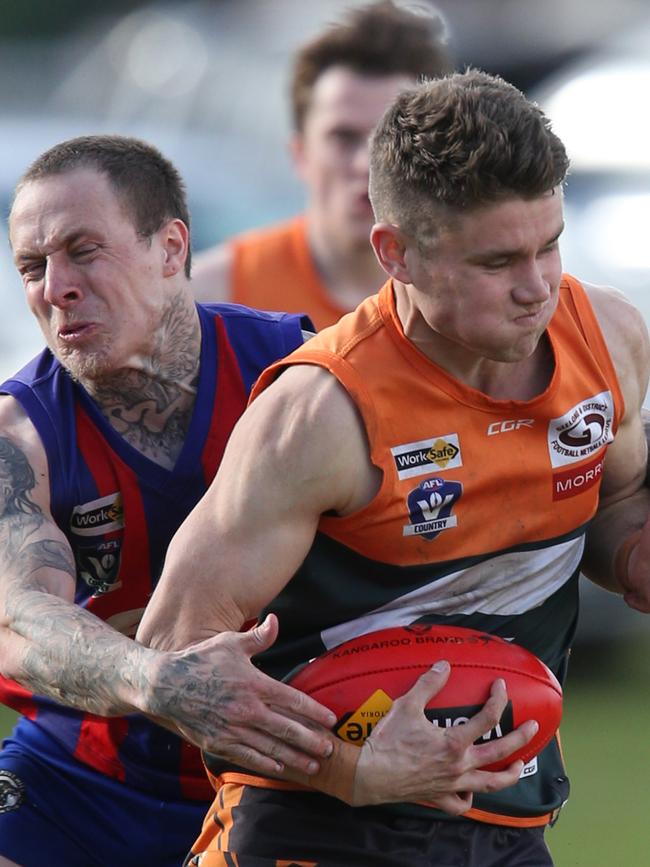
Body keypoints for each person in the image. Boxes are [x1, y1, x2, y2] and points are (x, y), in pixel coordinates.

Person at [137, 69, 650, 866]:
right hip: (312, 828)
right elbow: (170, 652)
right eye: (497, 261)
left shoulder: (609, 340)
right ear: (396, 252)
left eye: (551, 245)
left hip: (509, 820)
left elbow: (616, 507)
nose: (537, 287)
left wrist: (633, 554)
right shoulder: (322, 415)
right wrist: (350, 767)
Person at [0, 134, 342, 867]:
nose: (53, 286)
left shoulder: (298, 374)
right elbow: (18, 621)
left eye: (83, 250)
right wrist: (158, 682)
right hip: (80, 779)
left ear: (171, 248)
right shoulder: (18, 434)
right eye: (32, 266)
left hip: (281, 771)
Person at [191, 0, 452, 329]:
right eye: (344, 137)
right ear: (300, 154)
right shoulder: (209, 300)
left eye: (394, 136)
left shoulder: (469, 295)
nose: (366, 164)